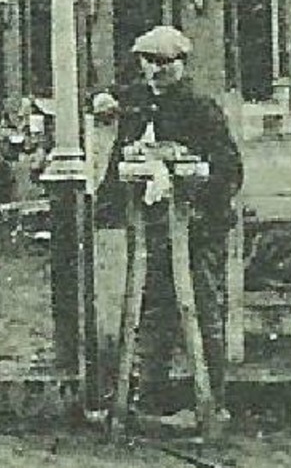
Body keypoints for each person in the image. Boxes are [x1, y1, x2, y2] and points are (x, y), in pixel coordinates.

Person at [95, 25, 243, 428]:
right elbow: (116, 145)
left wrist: (193, 178)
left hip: (200, 225)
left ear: (182, 64)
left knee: (204, 308)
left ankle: (212, 400)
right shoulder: (139, 103)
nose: (157, 70)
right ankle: (152, 400)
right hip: (153, 226)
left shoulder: (200, 108)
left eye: (166, 63)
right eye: (150, 62)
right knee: (154, 309)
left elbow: (229, 169)